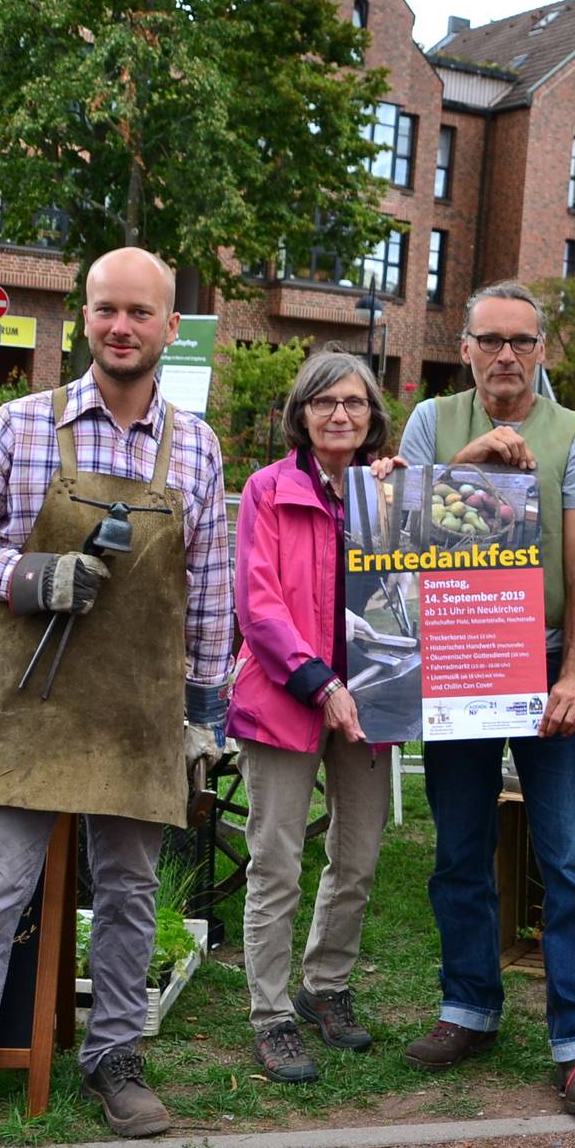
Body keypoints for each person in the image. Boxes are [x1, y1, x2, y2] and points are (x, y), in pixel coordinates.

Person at [0, 248, 231, 1148]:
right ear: (83, 319)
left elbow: (208, 588)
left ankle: (116, 1057)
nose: (120, 326)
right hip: (28, 706)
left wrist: (204, 711)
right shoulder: (19, 424)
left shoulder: (197, 447)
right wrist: (26, 573)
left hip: (137, 710)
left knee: (132, 889)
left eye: (140, 312)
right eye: (105, 310)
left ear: (171, 326)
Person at [395, 283, 575, 1119]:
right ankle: (469, 1006)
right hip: (462, 657)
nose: (505, 356)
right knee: (460, 846)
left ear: (543, 349)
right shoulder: (432, 422)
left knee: (570, 859)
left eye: (521, 341)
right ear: (465, 346)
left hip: (549, 662)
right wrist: (474, 464)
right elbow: (405, 532)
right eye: (489, 339)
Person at [228, 349, 397, 1083]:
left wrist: (401, 503)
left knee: (356, 857)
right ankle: (270, 1016)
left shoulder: (384, 494)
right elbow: (257, 606)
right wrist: (321, 683)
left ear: (372, 415)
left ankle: (324, 985)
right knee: (275, 864)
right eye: (325, 402)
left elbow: (418, 586)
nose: (340, 415)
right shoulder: (267, 490)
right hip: (285, 696)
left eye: (354, 403)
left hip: (375, 699)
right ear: (301, 412)